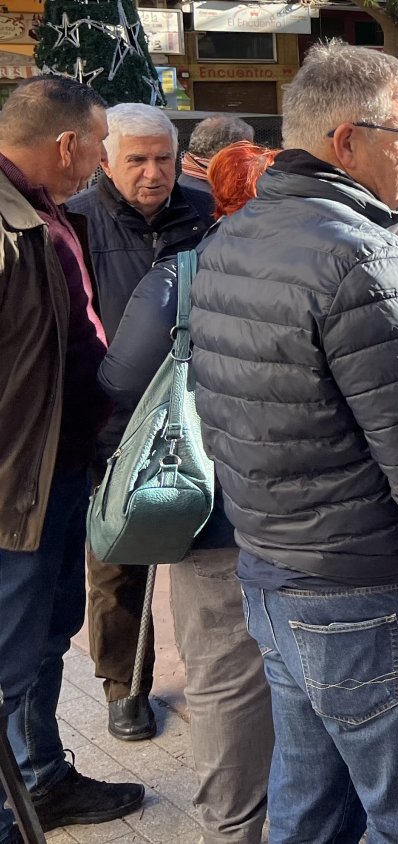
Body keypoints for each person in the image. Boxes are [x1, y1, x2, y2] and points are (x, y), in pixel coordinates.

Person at [189, 42, 398, 842]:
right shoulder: (367, 255)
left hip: (276, 575)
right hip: (366, 590)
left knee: (310, 811)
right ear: (346, 141)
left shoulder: (234, 237)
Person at [96, 141, 279, 844]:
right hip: (325, 519)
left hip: (212, 512)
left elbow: (117, 384)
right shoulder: (341, 264)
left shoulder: (182, 274)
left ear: (217, 198)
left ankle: (232, 830)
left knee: (227, 679)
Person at [0, 74, 146, 842]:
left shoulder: (43, 209)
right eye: (99, 148)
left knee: (42, 641)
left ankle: (41, 777)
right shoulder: (8, 221)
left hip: (56, 472)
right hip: (14, 486)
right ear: (67, 144)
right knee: (6, 658)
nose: (101, 163)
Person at [65, 101, 213, 743]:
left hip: (199, 410)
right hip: (111, 420)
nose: (153, 173)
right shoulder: (74, 221)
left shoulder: (206, 214)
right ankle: (124, 685)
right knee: (118, 557)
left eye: (163, 159)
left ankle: (220, 682)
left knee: (204, 554)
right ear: (106, 160)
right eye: (137, 160)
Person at [178, 114, 254, 193]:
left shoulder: (190, 178)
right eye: (248, 151)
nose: (252, 157)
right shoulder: (203, 196)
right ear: (226, 152)